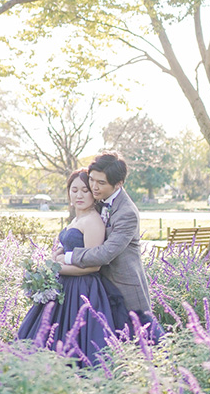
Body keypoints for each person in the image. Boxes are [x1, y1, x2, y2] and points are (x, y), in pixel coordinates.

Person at [17, 169, 130, 366]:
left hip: (82, 288)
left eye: (85, 190)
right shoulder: (77, 219)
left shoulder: (93, 221)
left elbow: (93, 266)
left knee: (76, 340)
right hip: (65, 286)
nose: (79, 195)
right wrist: (55, 261)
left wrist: (56, 269)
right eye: (74, 190)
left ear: (93, 194)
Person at [55, 152, 160, 338]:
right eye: (92, 180)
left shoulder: (127, 213)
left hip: (123, 287)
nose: (94, 187)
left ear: (118, 184)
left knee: (144, 342)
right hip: (97, 287)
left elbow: (105, 253)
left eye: (101, 183)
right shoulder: (98, 201)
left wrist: (67, 258)